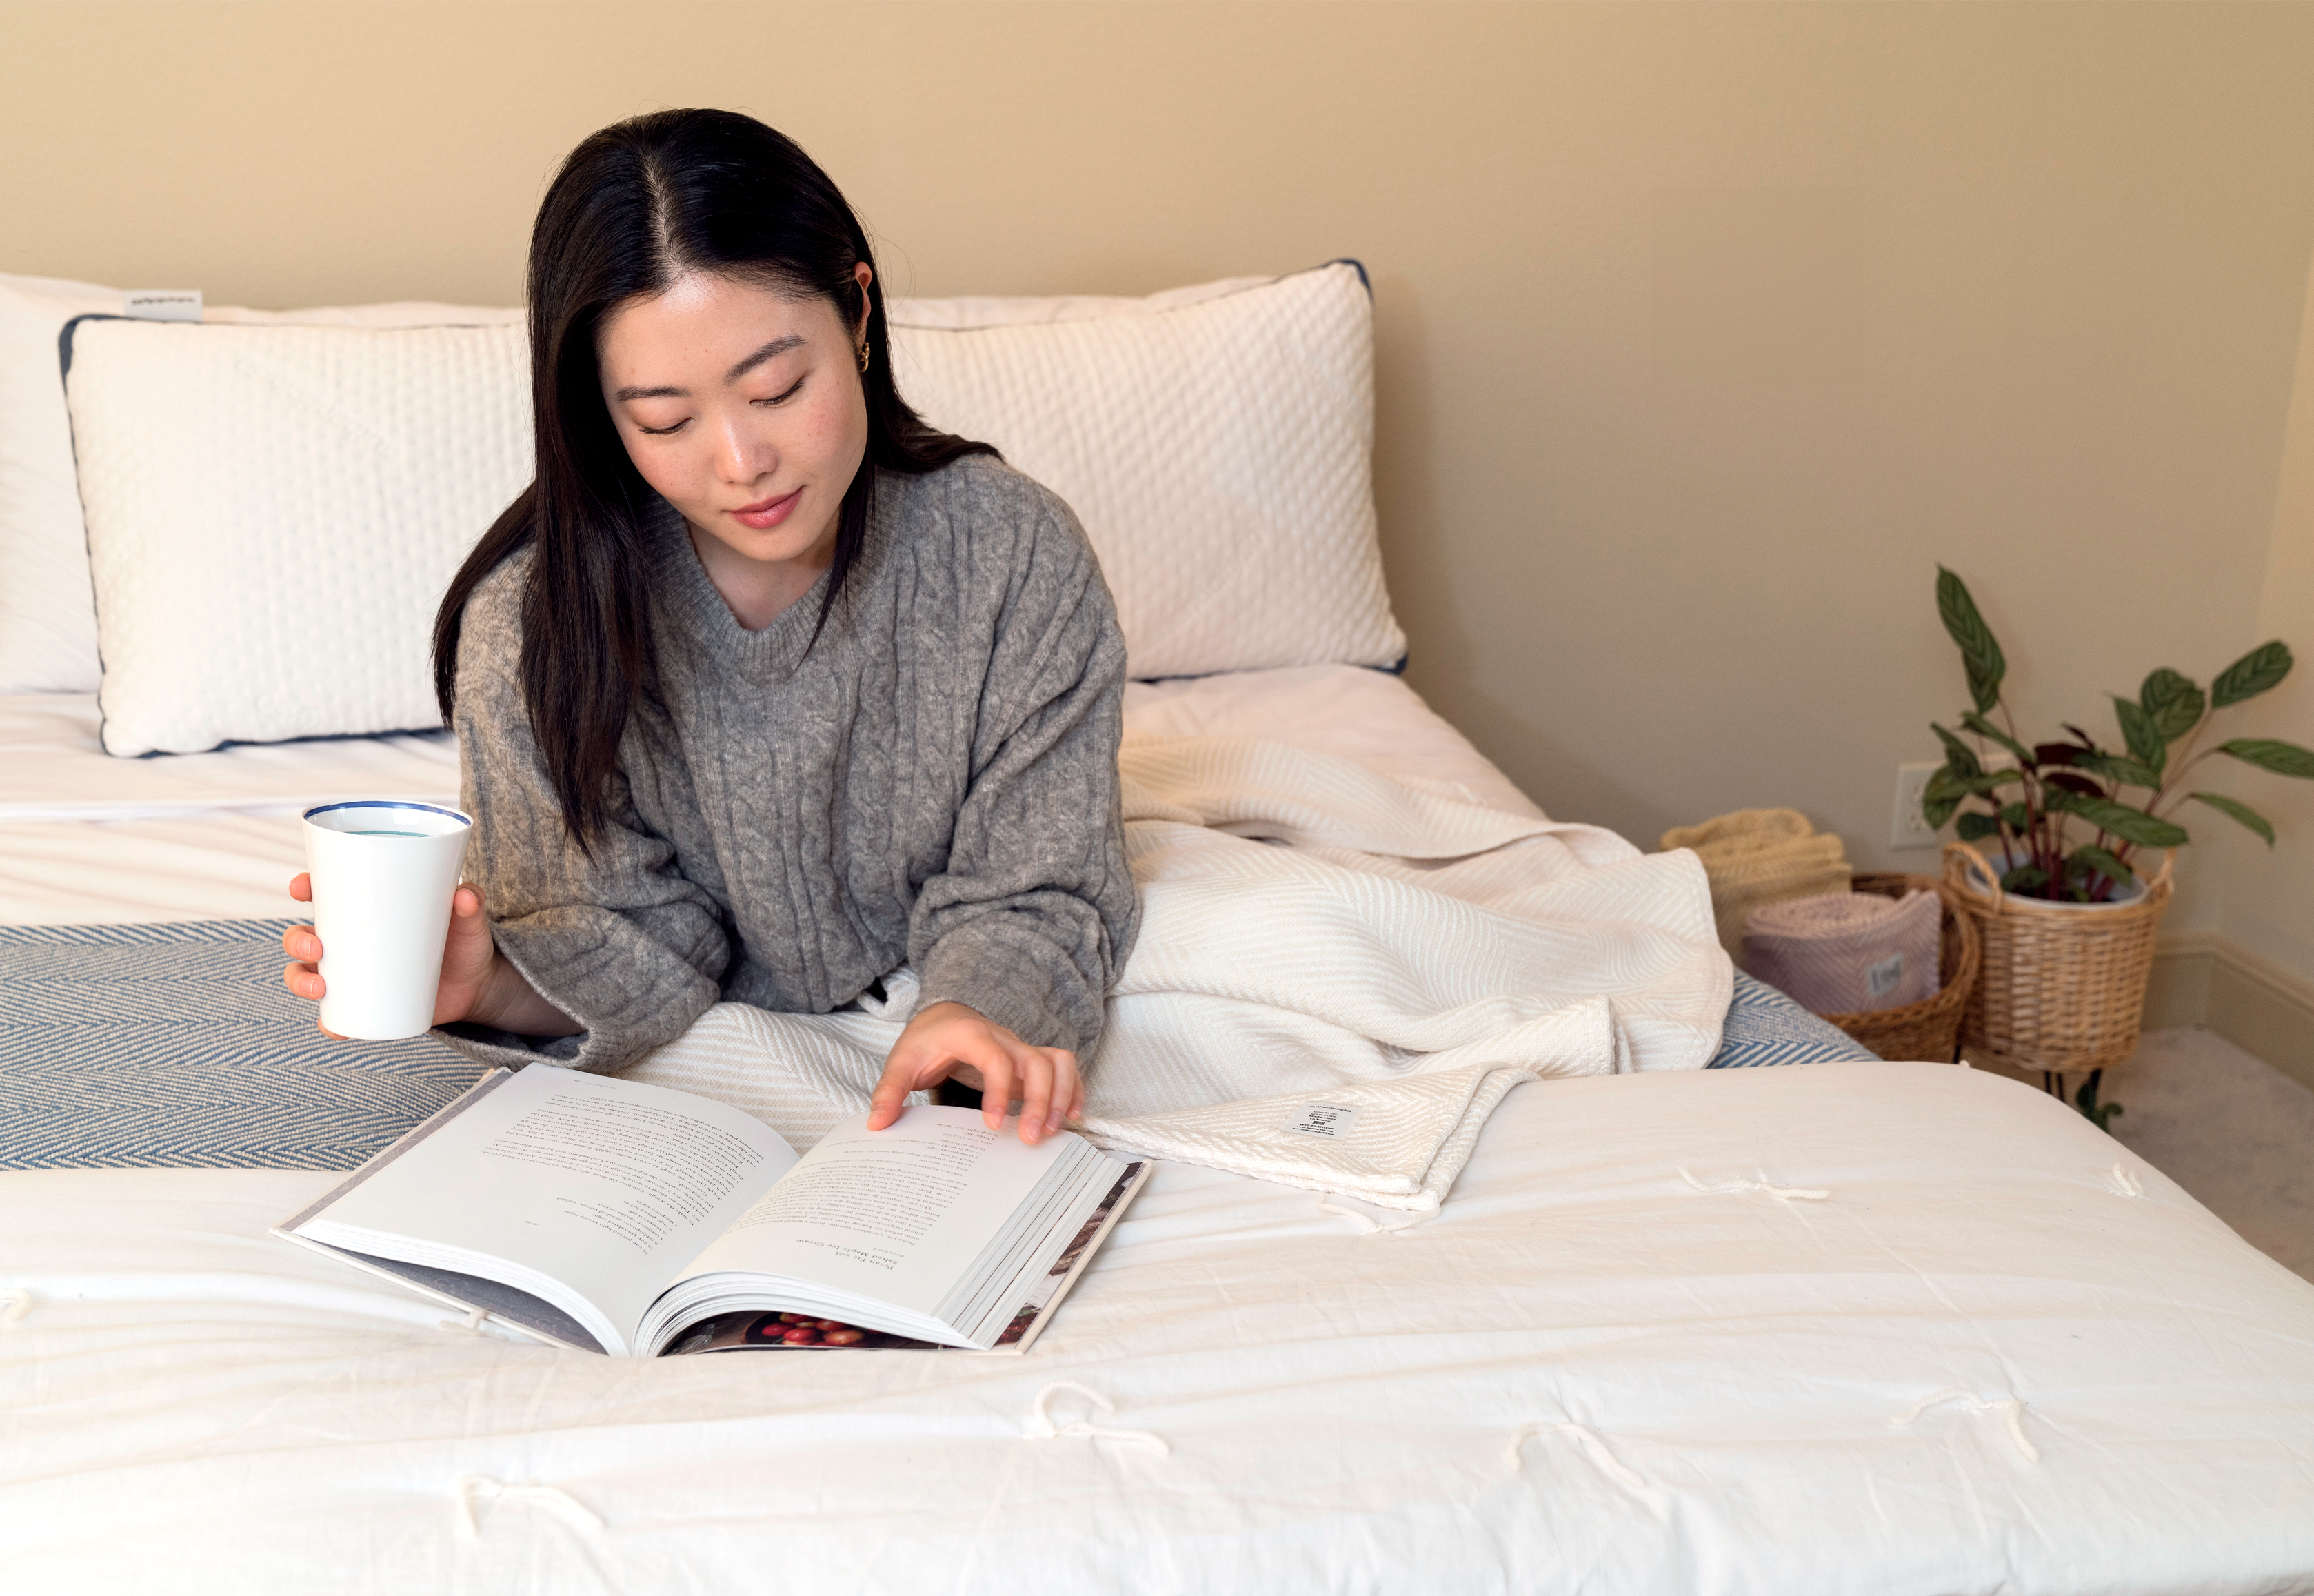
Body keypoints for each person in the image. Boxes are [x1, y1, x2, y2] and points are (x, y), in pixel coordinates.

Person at [281, 108, 1138, 1146]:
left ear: (858, 313)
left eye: (777, 387)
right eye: (665, 419)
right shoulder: (531, 629)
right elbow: (630, 938)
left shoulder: (1010, 553)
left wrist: (972, 1011)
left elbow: (1036, 884)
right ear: (599, 410)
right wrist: (495, 985)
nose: (741, 461)